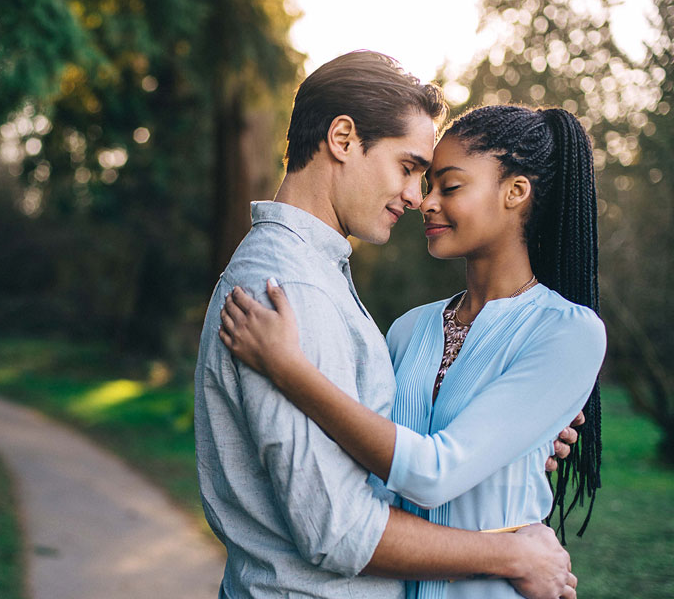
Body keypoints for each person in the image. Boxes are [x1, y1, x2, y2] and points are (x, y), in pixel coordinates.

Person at [195, 50, 580, 599]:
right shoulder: (291, 291)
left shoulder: (313, 276)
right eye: (409, 168)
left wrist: (512, 448)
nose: (415, 197)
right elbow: (339, 529)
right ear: (343, 138)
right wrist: (510, 554)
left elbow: (394, 453)